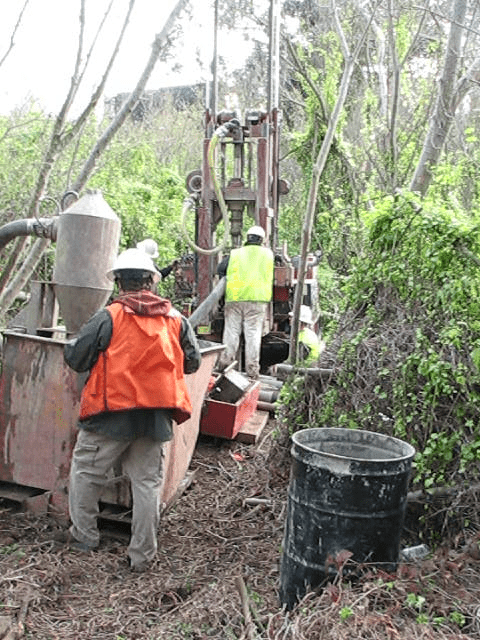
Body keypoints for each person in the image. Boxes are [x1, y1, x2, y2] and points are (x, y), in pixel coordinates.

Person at [63, 248, 201, 572]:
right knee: (147, 486)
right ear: (152, 281)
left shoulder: (109, 316)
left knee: (85, 474)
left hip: (109, 416)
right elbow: (192, 362)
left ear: (119, 283)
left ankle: (84, 538)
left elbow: (76, 357)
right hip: (154, 419)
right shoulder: (176, 319)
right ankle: (142, 558)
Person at [217, 225, 274, 379]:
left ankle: (224, 366)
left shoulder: (235, 254)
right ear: (262, 239)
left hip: (235, 298)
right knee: (253, 336)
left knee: (231, 333)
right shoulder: (268, 254)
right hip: (257, 300)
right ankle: (252, 371)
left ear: (247, 238)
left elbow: (220, 269)